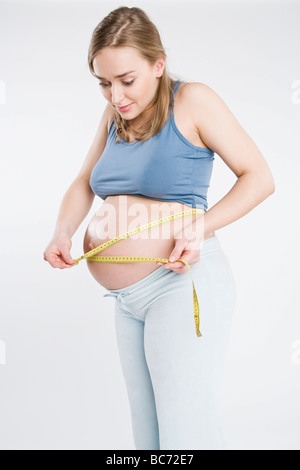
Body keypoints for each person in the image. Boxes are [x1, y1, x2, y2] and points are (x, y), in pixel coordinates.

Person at [43, 6, 275, 450]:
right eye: (104, 84)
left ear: (158, 64)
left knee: (187, 435)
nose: (116, 95)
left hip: (180, 285)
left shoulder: (193, 101)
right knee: (147, 439)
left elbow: (260, 177)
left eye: (126, 80)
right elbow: (82, 182)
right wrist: (62, 231)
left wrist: (200, 228)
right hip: (127, 301)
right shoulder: (115, 115)